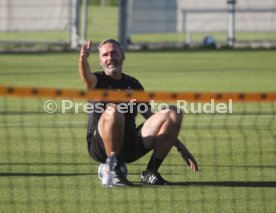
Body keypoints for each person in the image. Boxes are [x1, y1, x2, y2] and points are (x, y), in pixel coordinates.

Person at [78, 38, 198, 187]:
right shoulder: (96, 81)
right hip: (100, 147)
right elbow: (86, 77)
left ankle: (151, 172)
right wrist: (83, 60)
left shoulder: (133, 84)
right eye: (105, 55)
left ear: (123, 56)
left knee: (173, 112)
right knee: (114, 111)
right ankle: (112, 168)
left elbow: (151, 117)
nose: (110, 58)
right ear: (100, 60)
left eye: (114, 53)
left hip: (129, 146)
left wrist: (180, 147)